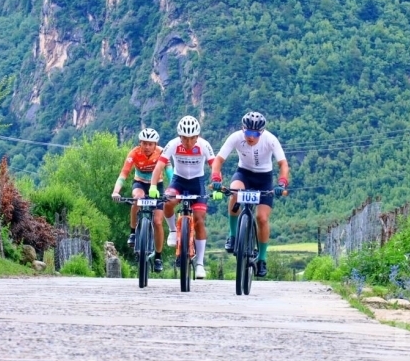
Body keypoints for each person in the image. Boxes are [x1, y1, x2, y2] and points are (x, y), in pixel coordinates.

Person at [210, 111, 289, 278]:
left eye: (255, 134)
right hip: (244, 174)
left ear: (261, 132)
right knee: (234, 193)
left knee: (262, 218)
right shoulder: (235, 137)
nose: (251, 137)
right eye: (248, 133)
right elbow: (218, 160)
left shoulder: (270, 139)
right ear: (242, 129)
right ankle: (233, 235)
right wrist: (216, 178)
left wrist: (281, 183)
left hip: (264, 179)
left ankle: (262, 259)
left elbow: (283, 164)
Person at [149, 115, 215, 280]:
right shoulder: (173, 144)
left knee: (199, 220)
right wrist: (152, 186)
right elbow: (159, 166)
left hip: (197, 182)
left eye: (192, 138)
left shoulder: (204, 145)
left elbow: (214, 166)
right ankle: (173, 230)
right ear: (180, 136)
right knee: (167, 201)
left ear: (197, 136)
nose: (188, 142)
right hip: (178, 181)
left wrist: (217, 184)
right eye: (184, 138)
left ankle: (199, 264)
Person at [111, 128, 170, 272]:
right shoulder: (134, 153)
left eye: (150, 144)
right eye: (144, 143)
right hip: (140, 183)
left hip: (157, 185)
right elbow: (124, 174)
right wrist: (116, 192)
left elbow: (170, 172)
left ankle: (158, 257)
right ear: (140, 143)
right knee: (137, 198)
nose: (147, 147)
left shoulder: (162, 152)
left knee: (157, 222)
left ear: (155, 144)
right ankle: (133, 232)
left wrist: (173, 190)